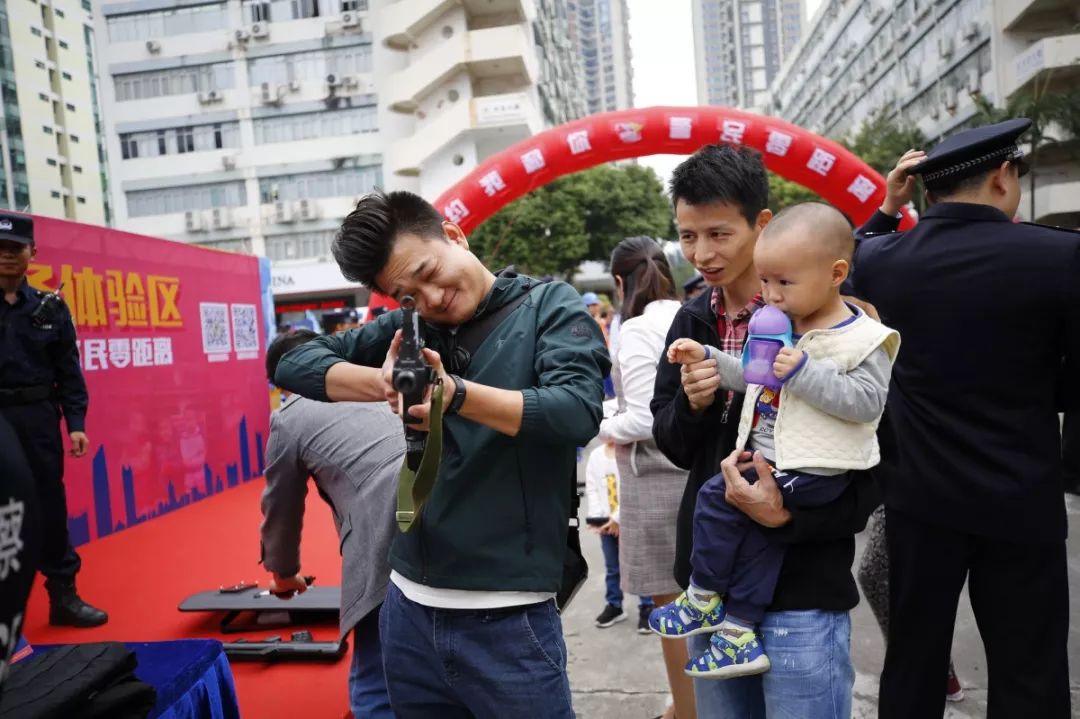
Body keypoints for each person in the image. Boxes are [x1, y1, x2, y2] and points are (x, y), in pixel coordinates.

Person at [273, 190, 609, 718]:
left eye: (429, 272)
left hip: (509, 615)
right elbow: (290, 362)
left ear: (454, 234)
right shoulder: (411, 325)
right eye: (406, 294)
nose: (431, 297)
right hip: (405, 610)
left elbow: (577, 411)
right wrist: (383, 382)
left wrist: (455, 395)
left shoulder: (550, 306)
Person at [850, 118, 1079, 719]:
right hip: (1022, 496)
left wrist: (886, 208)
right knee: (1030, 668)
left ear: (927, 190)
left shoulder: (884, 259)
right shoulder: (1060, 255)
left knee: (913, 660)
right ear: (1003, 177)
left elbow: (838, 268)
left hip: (918, 498)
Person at [651, 144, 880, 718]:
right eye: (687, 236)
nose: (702, 253)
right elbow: (673, 443)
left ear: (762, 223)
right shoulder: (692, 320)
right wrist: (694, 404)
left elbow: (876, 451)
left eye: (719, 234)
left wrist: (789, 517)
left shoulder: (838, 325)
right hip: (713, 583)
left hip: (803, 588)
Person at [260, 329, 403, 719]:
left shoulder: (291, 417)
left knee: (375, 685)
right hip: (452, 500)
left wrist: (284, 574)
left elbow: (281, 507)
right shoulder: (381, 388)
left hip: (386, 530)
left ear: (282, 382)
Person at [597, 235, 694, 719]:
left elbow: (642, 419)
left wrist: (600, 421)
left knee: (672, 609)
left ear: (620, 282)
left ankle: (688, 710)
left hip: (657, 479)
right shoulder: (689, 314)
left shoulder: (636, 329)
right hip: (695, 470)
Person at [0, 212, 106, 628]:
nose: (7, 256)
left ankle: (63, 595)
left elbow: (69, 372)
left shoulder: (51, 308)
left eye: (15, 248)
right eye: (0, 249)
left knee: (48, 504)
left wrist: (76, 423)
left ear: (33, 253)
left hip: (38, 419)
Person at [583, 440, 654, 630]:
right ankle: (614, 605)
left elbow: (635, 487)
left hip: (631, 520)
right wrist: (597, 518)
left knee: (639, 564)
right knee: (612, 567)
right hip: (606, 523)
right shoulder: (596, 455)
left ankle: (647, 606)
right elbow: (592, 487)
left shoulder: (631, 451)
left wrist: (618, 518)